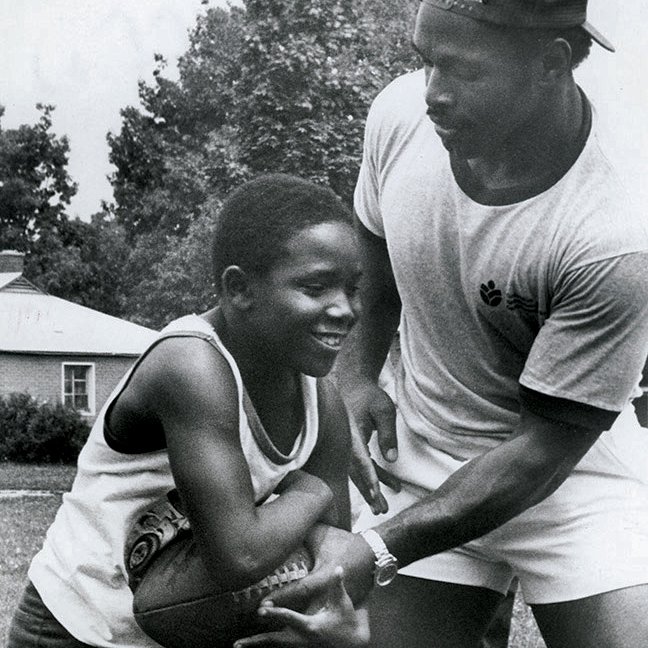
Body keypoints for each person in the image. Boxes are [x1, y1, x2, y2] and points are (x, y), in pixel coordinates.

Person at [251, 2, 648, 647]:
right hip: (427, 461)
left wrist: (374, 547)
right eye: (423, 60)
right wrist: (356, 379)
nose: (431, 94)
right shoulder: (401, 117)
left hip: (575, 482)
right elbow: (374, 266)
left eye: (459, 71)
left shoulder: (615, 230)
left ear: (550, 63)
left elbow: (544, 450)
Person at [6, 174, 369, 648]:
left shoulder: (321, 398)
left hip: (178, 637)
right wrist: (314, 490)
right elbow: (238, 555)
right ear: (239, 289)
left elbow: (330, 558)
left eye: (353, 288)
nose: (344, 308)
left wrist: (332, 624)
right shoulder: (191, 365)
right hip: (73, 628)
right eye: (317, 286)